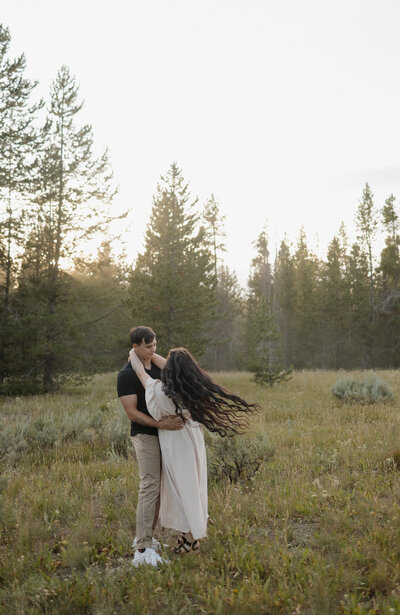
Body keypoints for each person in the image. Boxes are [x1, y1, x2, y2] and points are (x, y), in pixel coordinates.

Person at [128, 346, 259, 554]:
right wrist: (161, 356)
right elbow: (175, 366)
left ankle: (190, 539)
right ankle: (188, 536)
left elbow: (141, 374)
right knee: (191, 486)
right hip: (192, 438)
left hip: (175, 441)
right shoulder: (191, 387)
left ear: (170, 369)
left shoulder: (162, 392)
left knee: (182, 489)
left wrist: (134, 355)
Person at [117, 326, 184, 568]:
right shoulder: (126, 375)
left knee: (158, 489)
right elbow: (132, 413)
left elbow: (175, 370)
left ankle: (147, 537)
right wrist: (160, 424)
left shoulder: (154, 364)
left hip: (165, 435)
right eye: (148, 346)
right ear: (135, 346)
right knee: (149, 487)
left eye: (155, 345)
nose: (153, 349)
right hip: (146, 435)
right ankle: (142, 549)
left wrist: (151, 356)